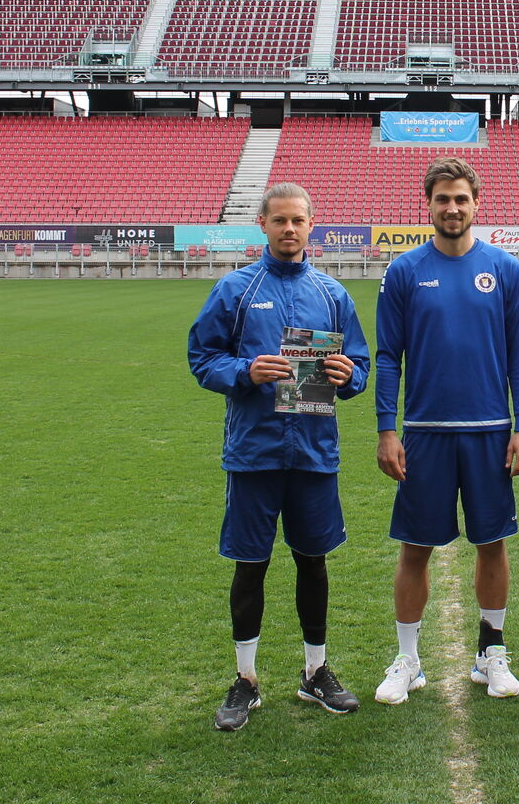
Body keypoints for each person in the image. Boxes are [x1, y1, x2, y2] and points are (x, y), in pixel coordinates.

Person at [188, 183, 372, 730]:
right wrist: (244, 372)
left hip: (314, 453)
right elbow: (202, 357)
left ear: (313, 224)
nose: (289, 230)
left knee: (312, 561)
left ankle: (316, 671)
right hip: (254, 454)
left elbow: (358, 366)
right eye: (279, 221)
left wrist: (348, 375)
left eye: (298, 221)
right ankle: (245, 680)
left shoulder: (333, 293)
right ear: (263, 225)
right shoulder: (235, 290)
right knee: (252, 563)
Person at [373, 157, 519, 703]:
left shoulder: (505, 269)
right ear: (429, 204)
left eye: (461, 198)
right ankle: (409, 660)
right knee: (414, 548)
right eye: (442, 199)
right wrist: (386, 430)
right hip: (425, 432)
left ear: (475, 203)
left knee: (493, 543)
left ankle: (490, 655)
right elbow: (388, 357)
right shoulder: (403, 271)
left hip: (491, 430)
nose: (452, 208)